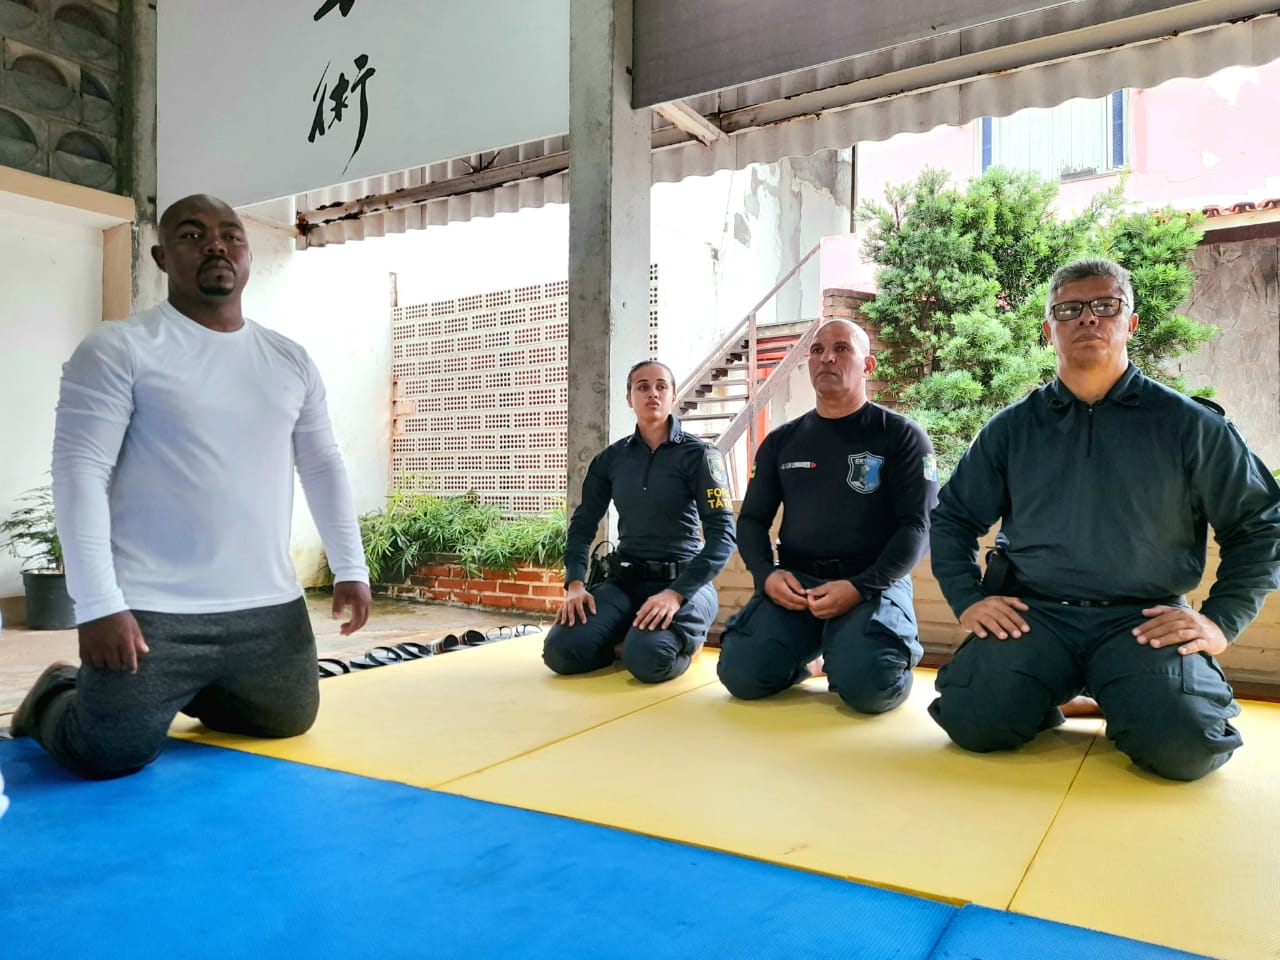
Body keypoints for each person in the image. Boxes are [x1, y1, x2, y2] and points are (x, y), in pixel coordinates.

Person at [8, 194, 372, 779]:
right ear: (160, 256)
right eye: (192, 234)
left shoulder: (289, 359)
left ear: (248, 254)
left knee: (286, 719)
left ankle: (185, 689)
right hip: (152, 609)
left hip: (267, 606)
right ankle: (54, 693)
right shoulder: (120, 347)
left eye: (231, 234)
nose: (216, 245)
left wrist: (351, 568)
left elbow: (323, 464)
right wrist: (99, 604)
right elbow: (80, 472)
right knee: (108, 754)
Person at [928, 257, 1280, 781]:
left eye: (1104, 306)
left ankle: (1131, 698)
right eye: (1069, 310)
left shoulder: (1189, 425)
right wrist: (968, 600)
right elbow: (952, 518)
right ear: (1050, 329)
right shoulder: (1012, 429)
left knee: (1188, 749)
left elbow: (1259, 525)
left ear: (1130, 321)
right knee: (974, 722)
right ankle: (1049, 700)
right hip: (1037, 616)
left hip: (1143, 622)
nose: (1087, 319)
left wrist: (1219, 621)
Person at [717, 319, 938, 713]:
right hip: (798, 584)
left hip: (870, 583)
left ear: (867, 365)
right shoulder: (782, 442)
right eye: (817, 350)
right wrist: (767, 575)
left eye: (841, 349)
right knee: (741, 675)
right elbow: (751, 521)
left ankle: (874, 650)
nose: (826, 358)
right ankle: (814, 660)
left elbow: (918, 527)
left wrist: (860, 586)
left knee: (870, 688)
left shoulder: (900, 436)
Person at [543, 361, 735, 683]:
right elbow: (582, 524)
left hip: (683, 584)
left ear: (673, 396)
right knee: (561, 652)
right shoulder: (611, 459)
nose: (653, 393)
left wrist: (675, 595)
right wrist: (575, 585)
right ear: (629, 398)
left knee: (648, 660)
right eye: (642, 386)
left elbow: (723, 537)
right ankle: (627, 638)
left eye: (662, 386)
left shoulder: (701, 456)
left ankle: (683, 643)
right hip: (625, 582)